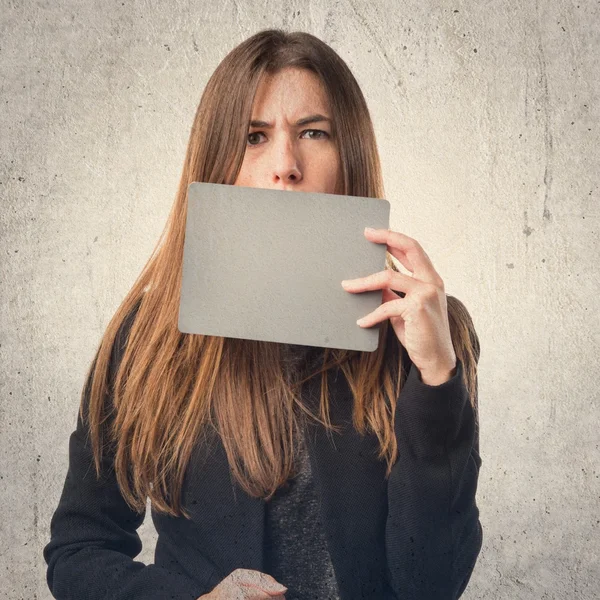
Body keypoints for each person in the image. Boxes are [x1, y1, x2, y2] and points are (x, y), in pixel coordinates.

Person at [43, 28, 483, 600]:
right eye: (255, 135)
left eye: (313, 133)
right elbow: (80, 551)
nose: (285, 166)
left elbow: (432, 586)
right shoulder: (146, 340)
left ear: (348, 156)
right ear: (216, 161)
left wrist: (435, 379)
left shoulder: (432, 336)